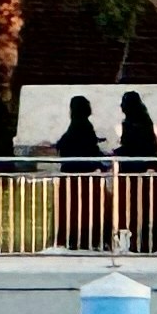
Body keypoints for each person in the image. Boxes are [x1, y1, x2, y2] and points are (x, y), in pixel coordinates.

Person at [51, 95, 106, 248]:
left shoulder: (77, 125)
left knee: (73, 209)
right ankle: (84, 239)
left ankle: (74, 239)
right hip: (82, 175)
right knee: (83, 209)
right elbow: (90, 149)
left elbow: (67, 144)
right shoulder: (84, 126)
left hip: (73, 174)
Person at [115, 92, 157, 252]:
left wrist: (116, 153)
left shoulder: (133, 124)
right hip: (146, 170)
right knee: (148, 208)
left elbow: (132, 147)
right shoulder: (143, 121)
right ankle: (147, 242)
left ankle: (142, 242)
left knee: (139, 208)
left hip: (139, 172)